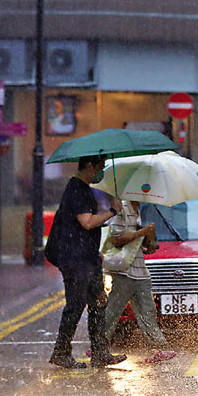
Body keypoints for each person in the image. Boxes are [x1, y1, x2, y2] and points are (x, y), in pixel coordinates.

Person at [48, 155, 126, 369]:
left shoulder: (83, 189)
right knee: (75, 306)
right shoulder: (77, 189)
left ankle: (100, 353)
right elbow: (87, 222)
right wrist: (112, 211)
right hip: (76, 260)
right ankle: (61, 353)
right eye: (100, 167)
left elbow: (81, 227)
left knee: (98, 304)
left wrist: (94, 251)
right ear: (90, 166)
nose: (101, 172)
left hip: (87, 258)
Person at [102, 200, 176, 364]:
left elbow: (140, 245)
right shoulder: (123, 209)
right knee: (112, 311)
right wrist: (141, 232)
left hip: (140, 272)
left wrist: (149, 240)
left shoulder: (137, 211)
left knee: (147, 311)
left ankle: (158, 348)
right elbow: (115, 239)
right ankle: (98, 346)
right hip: (124, 271)